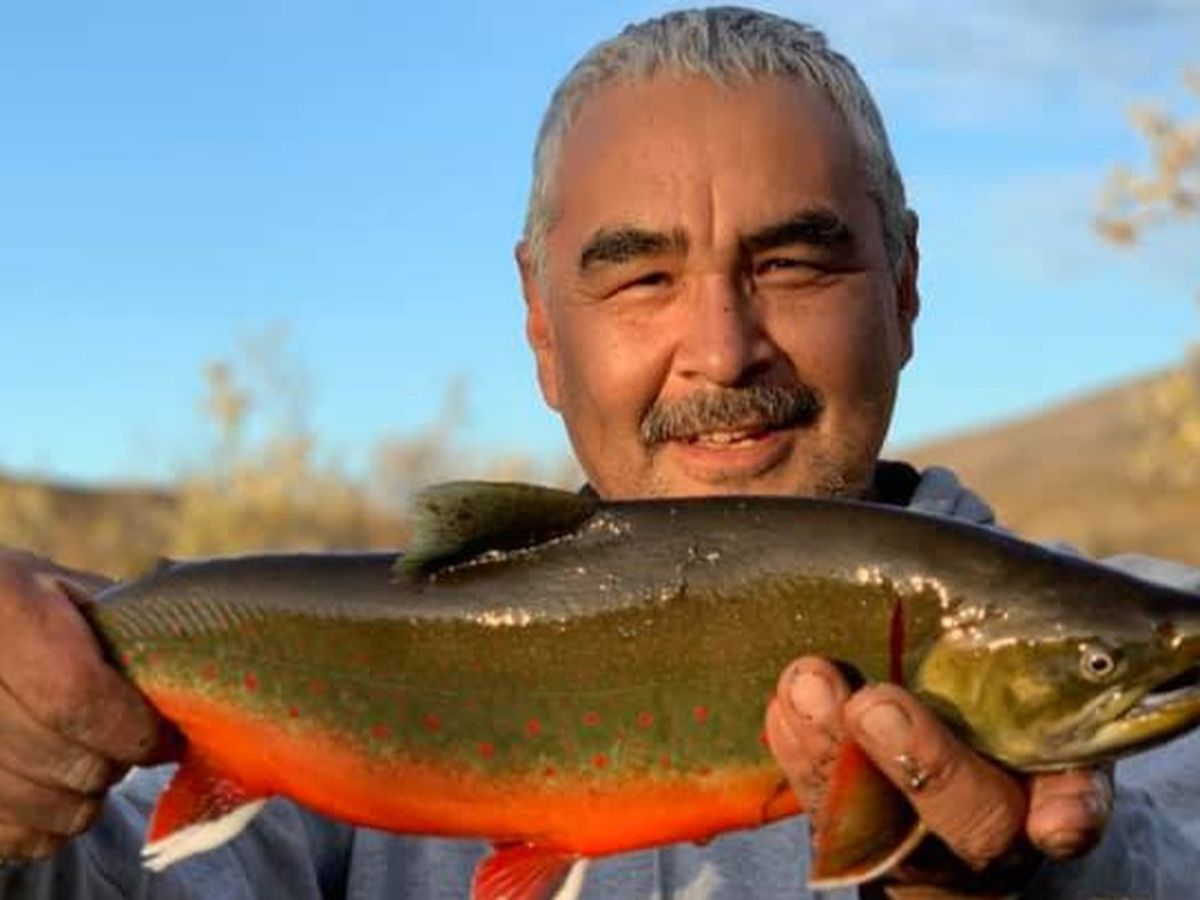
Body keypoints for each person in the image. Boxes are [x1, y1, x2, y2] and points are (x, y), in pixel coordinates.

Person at [2, 7, 1198, 898]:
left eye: (792, 264)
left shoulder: (1153, 650)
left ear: (904, 286)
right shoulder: (335, 650)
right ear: (541, 323)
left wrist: (1054, 885)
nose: (722, 352)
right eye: (642, 279)